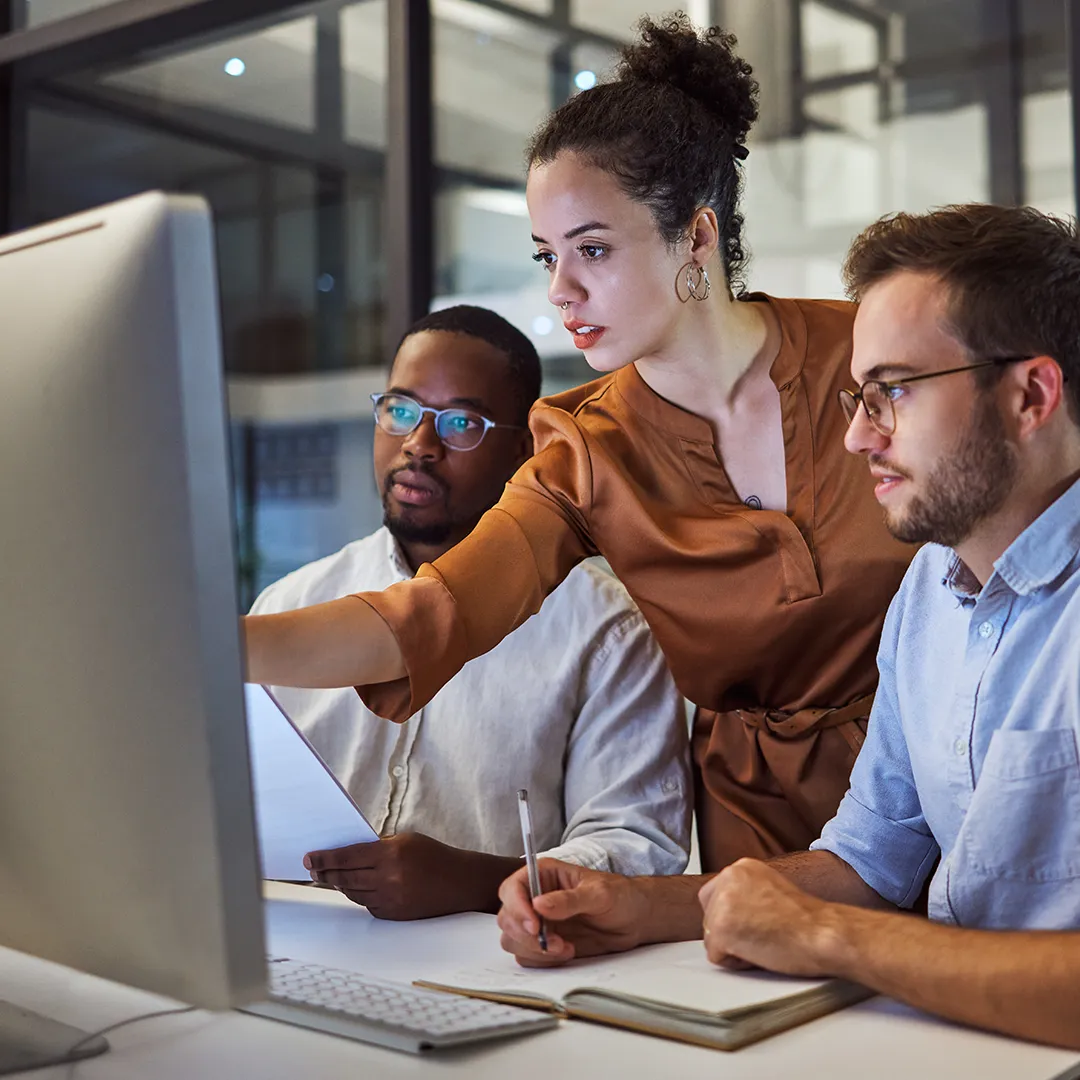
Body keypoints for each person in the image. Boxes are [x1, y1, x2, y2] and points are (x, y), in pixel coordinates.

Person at [244, 15, 913, 924]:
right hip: (752, 841)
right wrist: (211, 645)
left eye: (592, 249)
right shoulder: (584, 444)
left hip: (941, 786)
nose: (561, 290)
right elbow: (429, 615)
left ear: (696, 237)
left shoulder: (868, 356)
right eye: (548, 256)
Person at [504, 204, 1080, 1050]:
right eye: (857, 396)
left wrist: (826, 938)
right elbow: (870, 859)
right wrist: (635, 908)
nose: (856, 436)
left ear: (1030, 394)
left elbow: (846, 918)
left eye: (893, 394)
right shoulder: (929, 591)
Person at [253, 305, 690, 920]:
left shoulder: (608, 631)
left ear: (523, 450)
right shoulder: (292, 603)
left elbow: (639, 848)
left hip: (497, 964)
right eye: (400, 410)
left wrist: (475, 881)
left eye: (461, 423)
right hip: (294, 945)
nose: (419, 445)